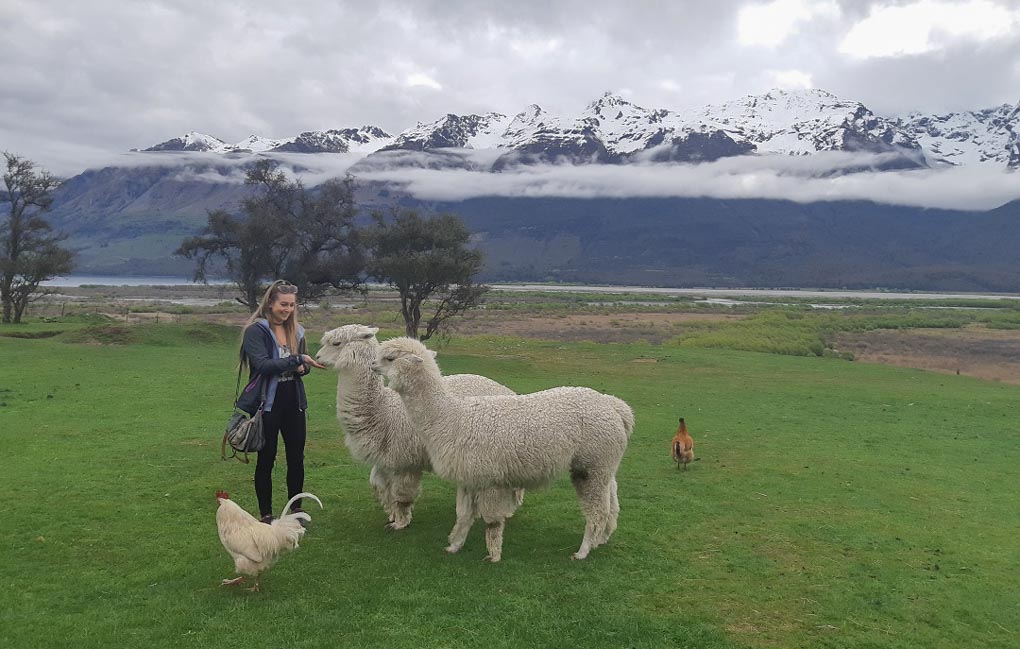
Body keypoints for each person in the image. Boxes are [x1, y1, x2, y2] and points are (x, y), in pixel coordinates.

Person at [236, 280, 326, 523]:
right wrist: (296, 359)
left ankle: (296, 510)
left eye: (291, 305)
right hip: (267, 404)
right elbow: (263, 365)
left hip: (294, 402)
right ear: (270, 303)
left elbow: (303, 368)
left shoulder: (297, 331)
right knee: (267, 459)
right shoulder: (256, 331)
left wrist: (301, 367)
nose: (287, 310)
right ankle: (266, 515)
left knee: (296, 458)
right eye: (283, 304)